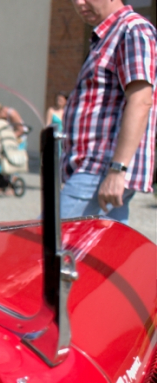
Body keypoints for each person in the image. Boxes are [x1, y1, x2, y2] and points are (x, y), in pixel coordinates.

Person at [61, 0, 157, 224]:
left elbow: (141, 100)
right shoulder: (106, 37)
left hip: (101, 167)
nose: (78, 3)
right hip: (97, 169)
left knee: (45, 244)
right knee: (102, 248)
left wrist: (117, 169)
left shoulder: (132, 30)